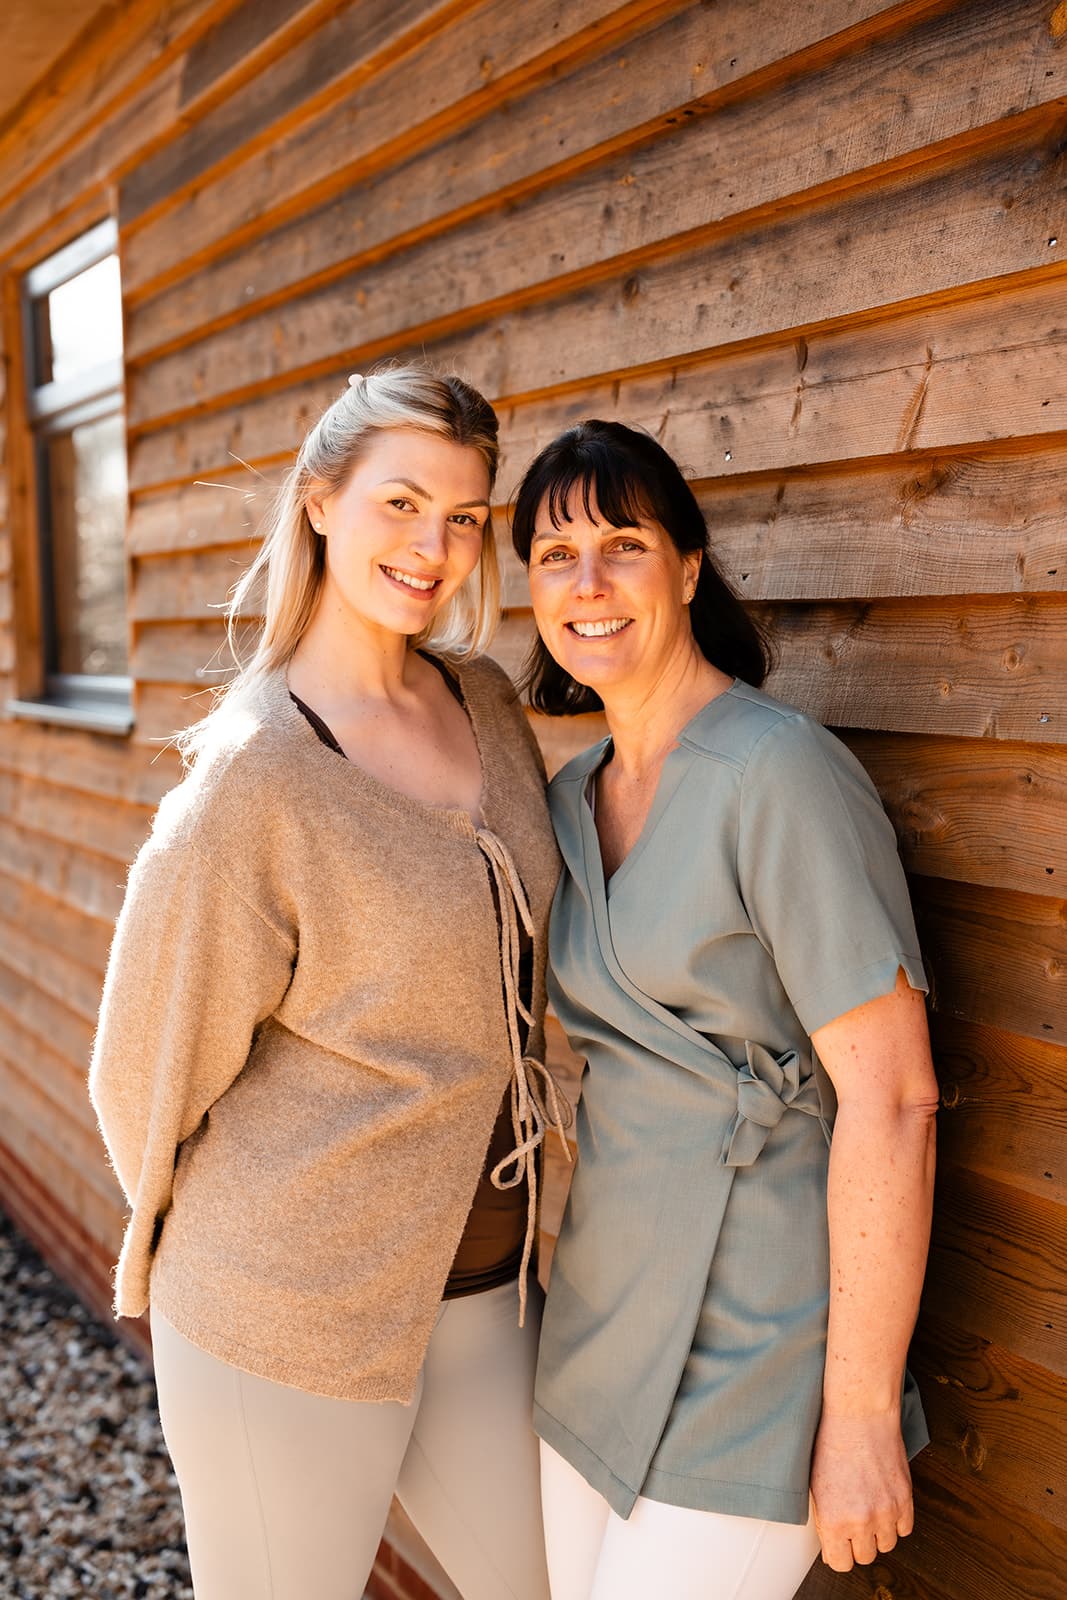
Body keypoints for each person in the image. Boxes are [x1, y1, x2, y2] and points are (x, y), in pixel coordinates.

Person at [89, 364, 565, 1600]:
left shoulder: (485, 704)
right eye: (399, 504)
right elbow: (142, 1066)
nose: (433, 548)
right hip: (287, 1310)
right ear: (317, 503)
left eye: (462, 518)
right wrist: (223, 1248)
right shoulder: (256, 780)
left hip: (483, 1290)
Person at [509, 420, 939, 1600]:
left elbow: (893, 1096)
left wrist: (853, 1413)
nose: (587, 585)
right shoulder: (564, 799)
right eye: (553, 557)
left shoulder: (778, 773)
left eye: (621, 545)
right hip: (598, 1324)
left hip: (757, 1342)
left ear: (688, 568)